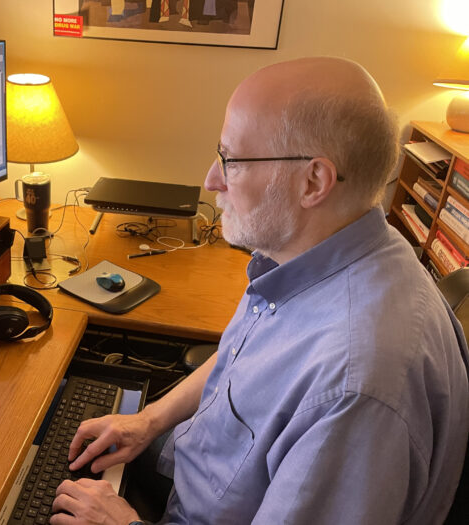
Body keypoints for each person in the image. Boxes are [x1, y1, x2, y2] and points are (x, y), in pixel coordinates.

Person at [49, 57, 469, 524]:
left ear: (314, 181)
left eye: (232, 159)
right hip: (199, 469)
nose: (211, 180)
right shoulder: (323, 252)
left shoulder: (357, 386)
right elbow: (240, 358)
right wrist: (147, 421)